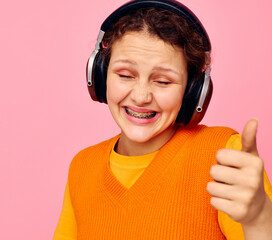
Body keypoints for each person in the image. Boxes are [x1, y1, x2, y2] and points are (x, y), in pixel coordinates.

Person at [54, 0, 272, 239]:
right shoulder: (82, 167)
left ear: (192, 91)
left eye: (163, 81)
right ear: (100, 74)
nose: (141, 96)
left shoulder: (223, 155)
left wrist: (260, 219)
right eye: (125, 75)